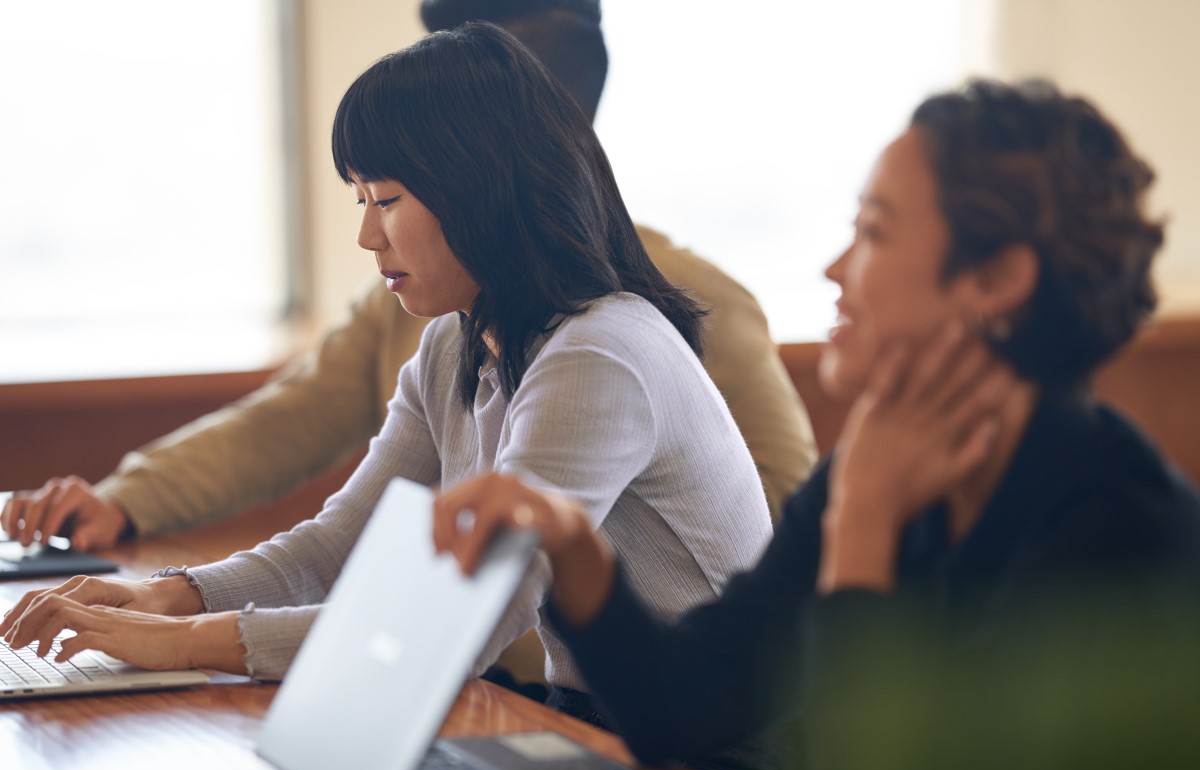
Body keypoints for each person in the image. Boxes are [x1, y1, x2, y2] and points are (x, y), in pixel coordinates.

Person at [429, 79, 1200, 770]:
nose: (836, 269)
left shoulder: (1122, 530)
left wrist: (862, 539)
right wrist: (573, 548)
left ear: (997, 280)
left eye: (874, 232)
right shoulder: (866, 471)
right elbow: (679, 710)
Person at [0, 23, 775, 720]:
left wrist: (170, 643)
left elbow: (457, 628)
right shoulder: (454, 342)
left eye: (388, 199)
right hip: (598, 717)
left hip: (723, 752)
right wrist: (163, 597)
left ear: (484, 192)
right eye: (360, 197)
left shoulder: (600, 353)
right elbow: (340, 542)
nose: (369, 235)